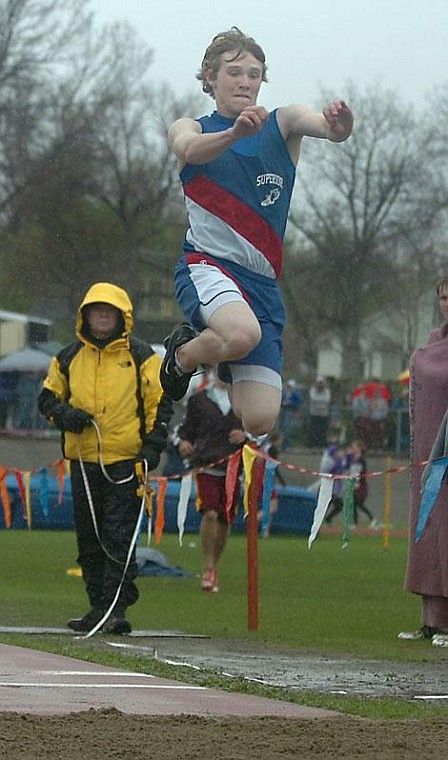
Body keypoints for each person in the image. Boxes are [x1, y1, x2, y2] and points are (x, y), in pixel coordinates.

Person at [160, 26, 353, 442]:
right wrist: (234, 135)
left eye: (254, 73)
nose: (245, 81)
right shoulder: (189, 125)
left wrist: (340, 127)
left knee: (259, 422)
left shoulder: (282, 123)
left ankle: (220, 353)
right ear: (210, 77)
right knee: (241, 334)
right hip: (208, 266)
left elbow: (327, 127)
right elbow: (187, 151)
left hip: (262, 284)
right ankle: (184, 355)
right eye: (234, 72)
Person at [38, 282, 173, 634]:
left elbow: (161, 405)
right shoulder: (67, 358)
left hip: (126, 462)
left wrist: (152, 448)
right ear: (85, 316)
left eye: (108, 310)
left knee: (117, 535)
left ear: (121, 316)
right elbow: (47, 400)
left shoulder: (143, 356)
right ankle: (98, 604)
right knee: (89, 537)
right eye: (96, 310)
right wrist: (65, 416)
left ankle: (116, 606)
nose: (102, 315)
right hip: (83, 461)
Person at [400, 277, 448, 641]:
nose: (447, 303)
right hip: (428, 460)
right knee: (429, 533)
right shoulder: (430, 348)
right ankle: (431, 620)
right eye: (444, 297)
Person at [177, 370, 246, 592]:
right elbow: (184, 430)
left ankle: (214, 565)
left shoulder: (244, 400)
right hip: (206, 465)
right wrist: (184, 443)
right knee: (209, 512)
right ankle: (207, 567)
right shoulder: (199, 399)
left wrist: (245, 436)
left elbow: (260, 431)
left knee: (225, 519)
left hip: (233, 468)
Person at [257, 429, 286, 537]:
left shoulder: (266, 447)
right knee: (272, 507)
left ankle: (265, 531)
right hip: (266, 479)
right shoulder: (273, 450)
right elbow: (274, 467)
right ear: (278, 440)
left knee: (269, 505)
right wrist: (282, 481)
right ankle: (255, 519)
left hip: (261, 477)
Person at [307, 377, 331, 449]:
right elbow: (313, 398)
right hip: (314, 414)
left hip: (324, 415)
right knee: (314, 430)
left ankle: (321, 446)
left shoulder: (327, 391)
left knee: (322, 431)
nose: (320, 385)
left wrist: (317, 403)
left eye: (321, 383)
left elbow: (327, 400)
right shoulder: (312, 390)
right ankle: (313, 446)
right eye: (319, 383)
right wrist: (321, 403)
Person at [279, 379, 302, 451]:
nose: (289, 388)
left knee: (287, 428)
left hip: (290, 411)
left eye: (290, 387)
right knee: (282, 428)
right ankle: (283, 445)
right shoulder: (284, 393)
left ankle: (288, 445)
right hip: (283, 411)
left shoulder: (295, 395)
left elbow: (298, 403)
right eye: (288, 386)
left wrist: (290, 403)